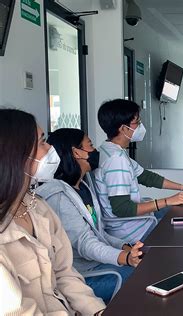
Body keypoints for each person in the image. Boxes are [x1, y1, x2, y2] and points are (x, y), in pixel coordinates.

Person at [0, 109, 105, 315]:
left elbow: (65, 274)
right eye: (42, 142)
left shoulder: (38, 207)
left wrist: (97, 311)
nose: (50, 148)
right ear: (16, 155)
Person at [37, 128, 143, 304]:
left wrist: (125, 247)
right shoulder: (57, 195)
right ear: (77, 152)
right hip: (85, 277)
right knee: (143, 278)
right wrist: (124, 258)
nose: (95, 151)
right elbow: (86, 243)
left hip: (100, 264)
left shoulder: (83, 186)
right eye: (91, 145)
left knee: (147, 266)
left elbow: (98, 234)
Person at [95, 99, 183, 243]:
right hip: (133, 233)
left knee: (182, 212)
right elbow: (121, 209)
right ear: (123, 128)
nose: (140, 126)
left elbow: (146, 177)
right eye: (137, 122)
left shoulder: (108, 149)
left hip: (138, 223)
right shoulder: (116, 160)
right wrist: (167, 201)